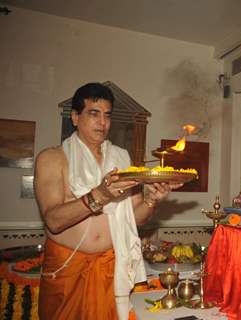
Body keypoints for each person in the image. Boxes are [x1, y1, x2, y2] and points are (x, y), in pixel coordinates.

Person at [34, 82, 182, 319]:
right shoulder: (53, 158)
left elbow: (135, 219)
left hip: (111, 266)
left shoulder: (121, 158)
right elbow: (53, 220)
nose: (102, 123)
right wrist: (100, 195)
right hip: (68, 267)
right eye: (94, 114)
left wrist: (152, 200)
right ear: (75, 117)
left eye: (107, 115)